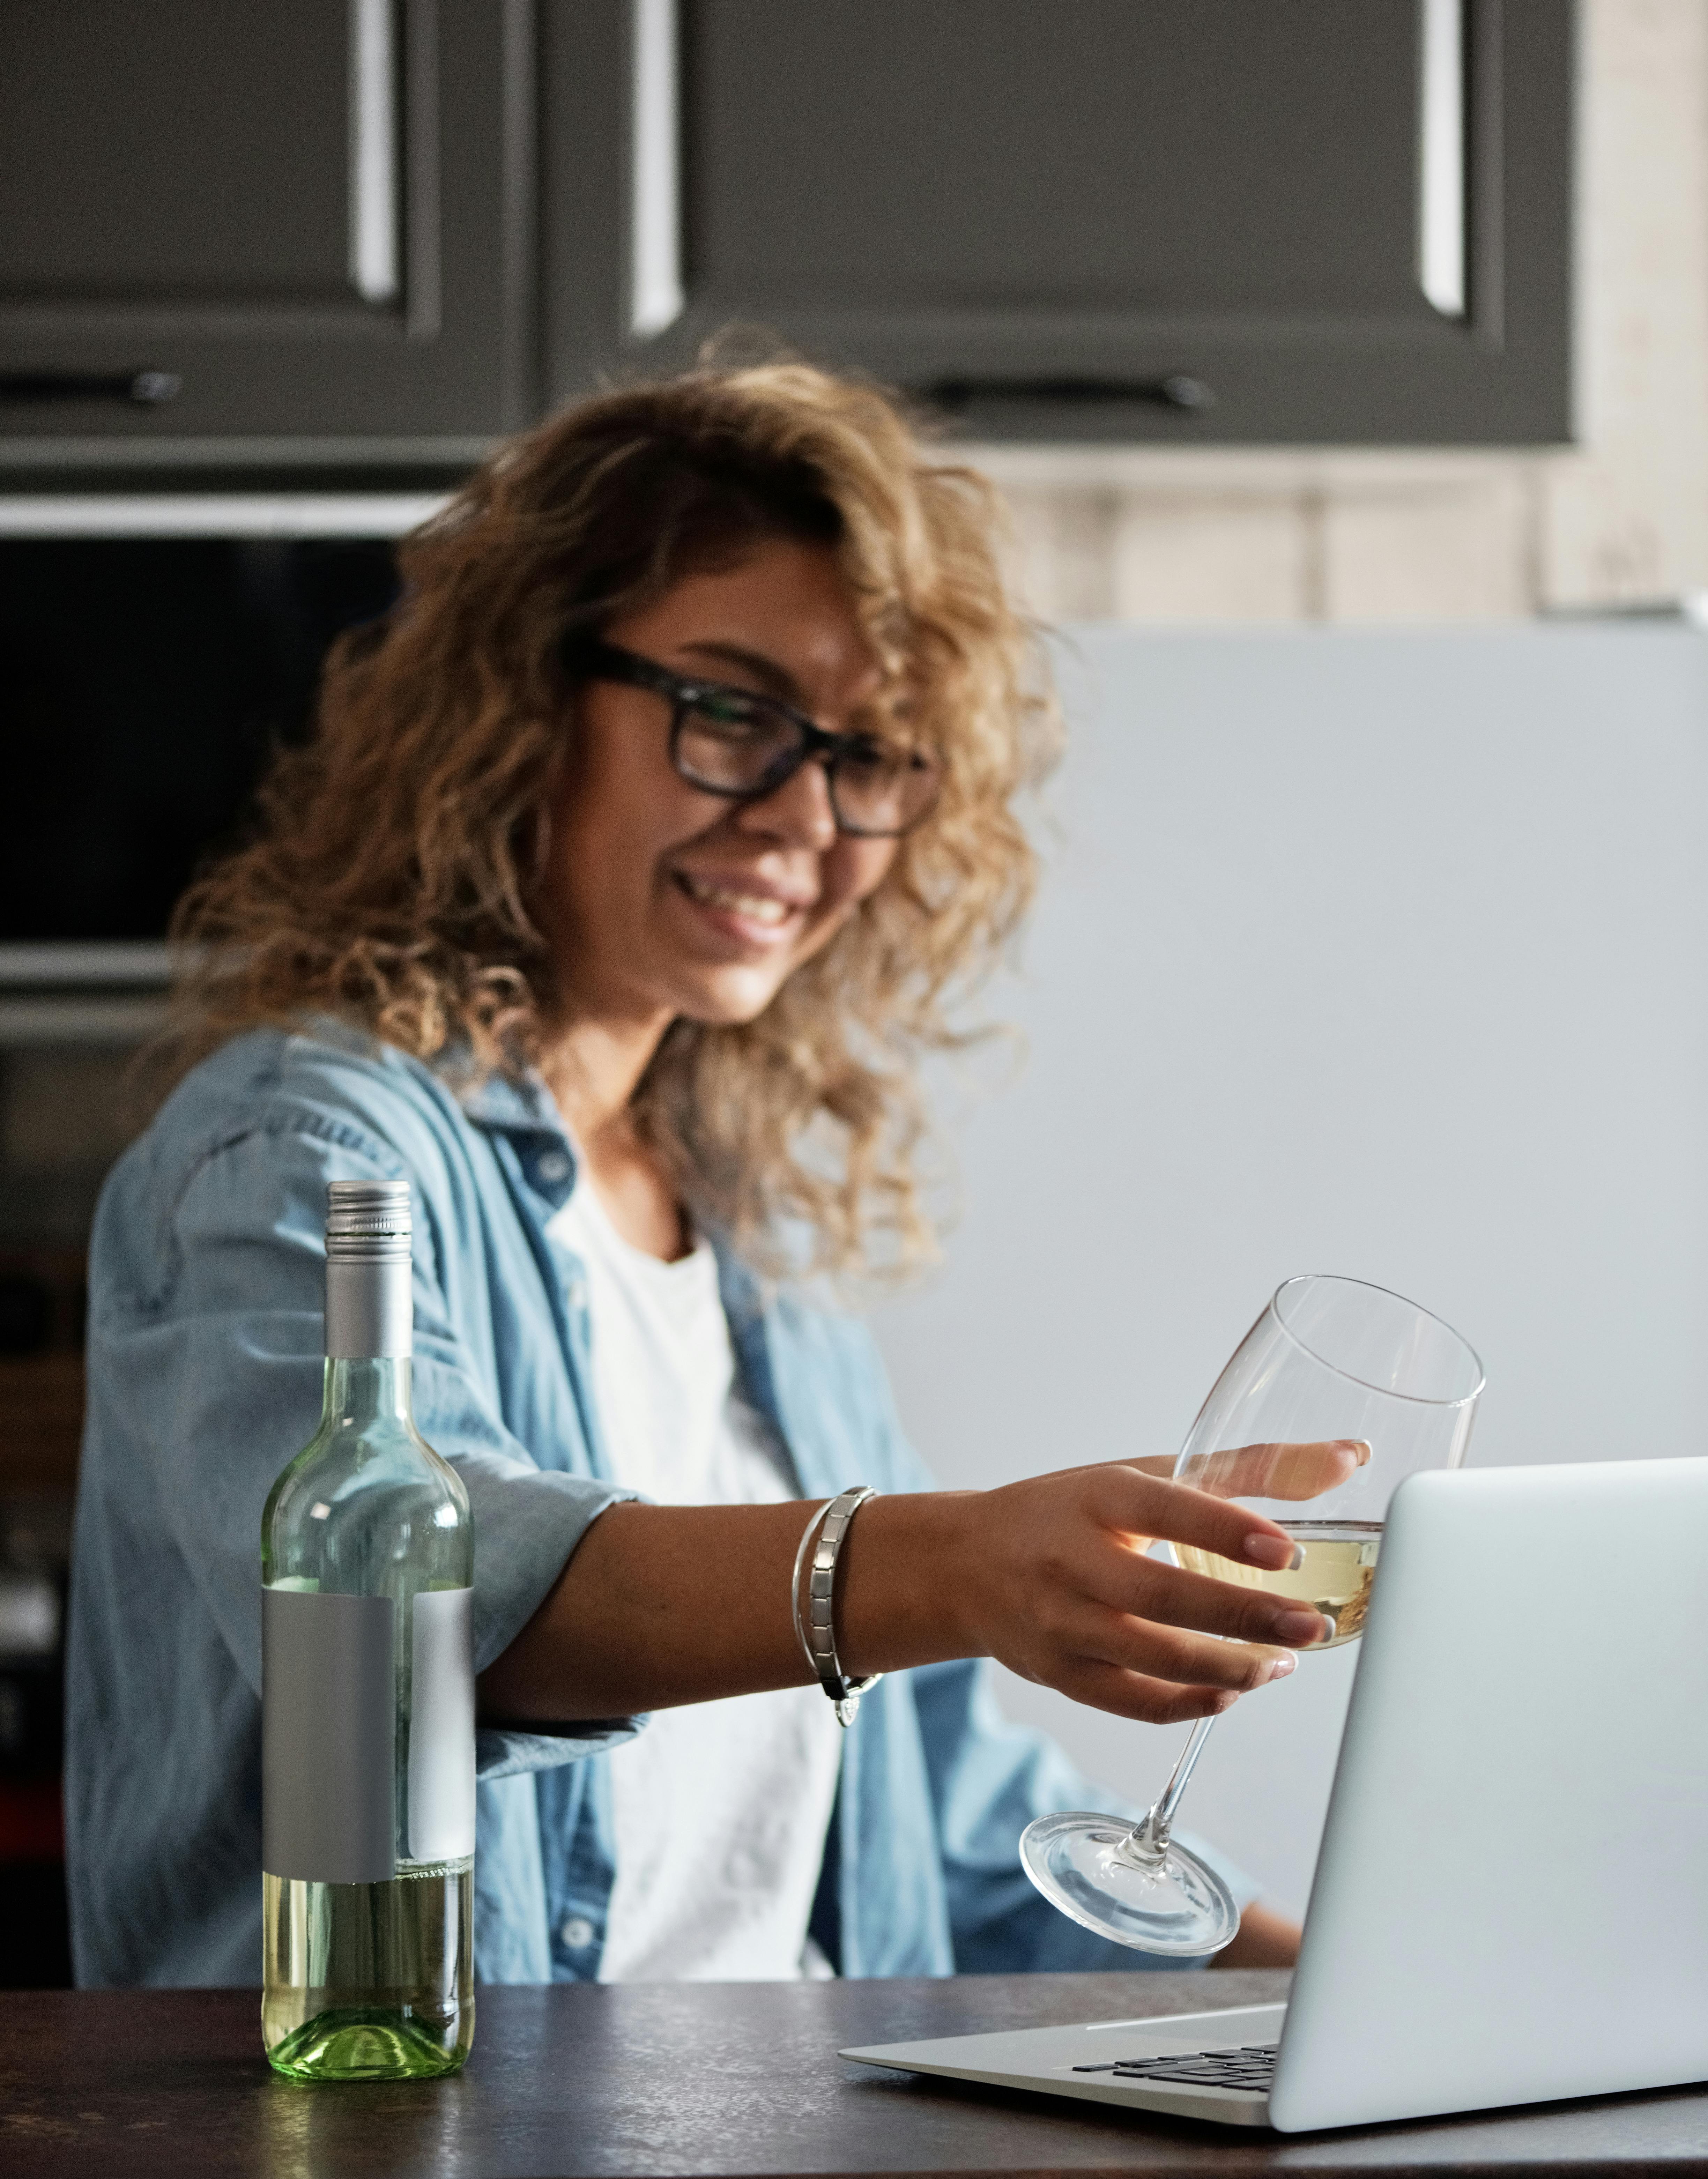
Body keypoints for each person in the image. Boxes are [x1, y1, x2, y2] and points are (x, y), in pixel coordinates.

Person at [67, 359, 1338, 1992]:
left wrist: (1345, 1984)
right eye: (732, 710)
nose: (804, 815)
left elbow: (938, 1827)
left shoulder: (742, 1247)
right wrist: (947, 1565)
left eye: (869, 758)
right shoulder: (303, 1153)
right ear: (524, 703)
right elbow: (405, 1600)